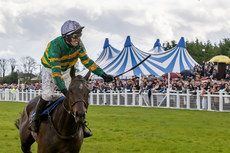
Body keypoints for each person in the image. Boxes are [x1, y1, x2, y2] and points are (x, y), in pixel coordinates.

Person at [30, 20, 113, 138]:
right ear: (66, 37)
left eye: (79, 35)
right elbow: (56, 73)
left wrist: (103, 75)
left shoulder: (79, 45)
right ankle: (35, 119)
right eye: (75, 35)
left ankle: (81, 125)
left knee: (75, 96)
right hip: (50, 69)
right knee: (48, 95)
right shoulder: (55, 46)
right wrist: (64, 90)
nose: (78, 38)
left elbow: (87, 61)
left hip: (66, 69)